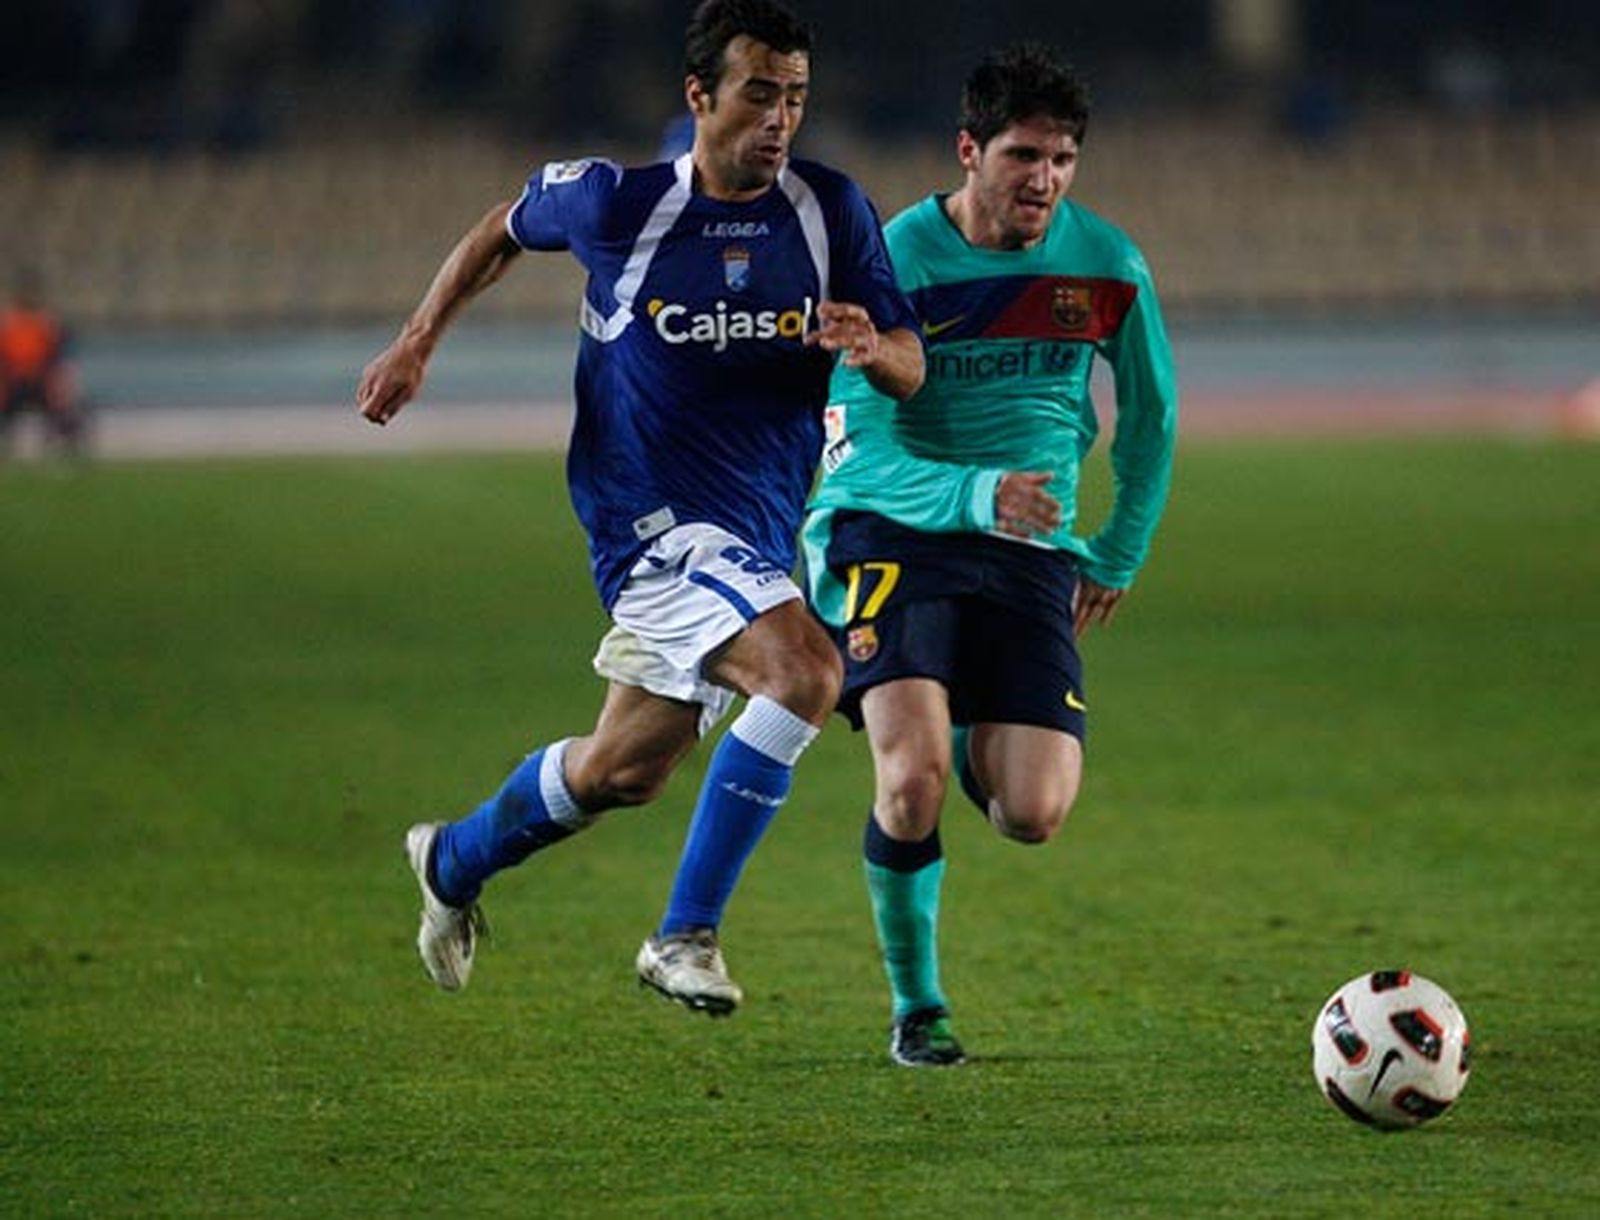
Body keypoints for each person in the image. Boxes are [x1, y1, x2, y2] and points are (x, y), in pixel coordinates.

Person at [357, 0, 923, 1016]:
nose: (780, 118)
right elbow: (501, 229)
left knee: (622, 771)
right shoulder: (616, 203)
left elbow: (910, 364)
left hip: (756, 535)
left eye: (795, 97)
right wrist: (416, 339)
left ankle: (452, 859)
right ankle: (684, 934)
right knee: (804, 671)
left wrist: (873, 349)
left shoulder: (830, 210)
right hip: (651, 525)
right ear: (699, 95)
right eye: (759, 93)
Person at [802, 43, 1178, 1065]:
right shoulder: (893, 260)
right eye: (1022, 155)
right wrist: (976, 493)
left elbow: (1150, 418)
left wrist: (1117, 551)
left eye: (1062, 159)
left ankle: (956, 703)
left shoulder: (1108, 263)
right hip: (897, 529)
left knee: (1032, 811)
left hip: (1027, 546)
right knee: (912, 777)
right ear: (968, 150)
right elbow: (855, 446)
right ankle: (917, 1006)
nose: (1044, 179)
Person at [0, 266, 88, 460]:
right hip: (13, 384)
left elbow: (60, 360)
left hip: (40, 383)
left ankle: (65, 450)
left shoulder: (46, 323)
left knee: (66, 407)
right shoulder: (8, 324)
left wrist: (62, 388)